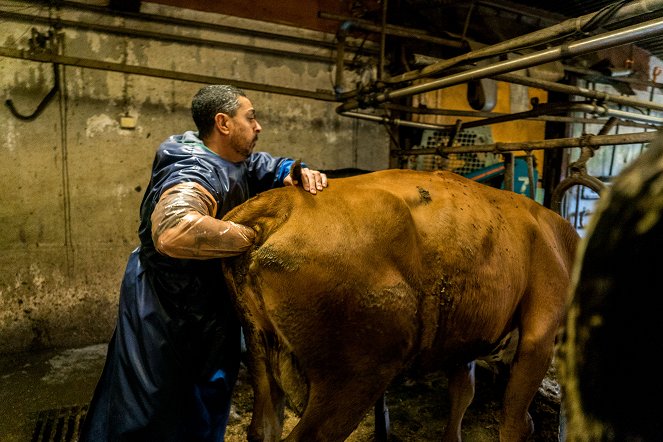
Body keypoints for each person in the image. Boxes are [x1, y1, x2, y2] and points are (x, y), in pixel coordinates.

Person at [79, 84, 328, 441]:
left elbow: (256, 166)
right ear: (223, 123)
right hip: (169, 311)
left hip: (207, 306)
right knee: (154, 408)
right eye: (251, 117)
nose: (258, 127)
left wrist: (290, 170)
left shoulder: (228, 158)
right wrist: (253, 238)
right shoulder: (192, 168)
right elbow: (174, 230)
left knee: (204, 402)